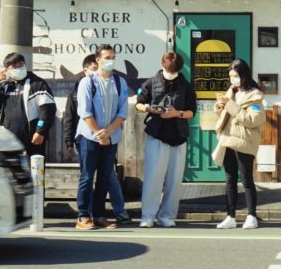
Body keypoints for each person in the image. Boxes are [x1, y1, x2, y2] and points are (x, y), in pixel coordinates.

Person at [63, 54, 131, 225]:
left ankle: (99, 215)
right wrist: (99, 133)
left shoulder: (119, 82)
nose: (111, 60)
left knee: (105, 177)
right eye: (108, 57)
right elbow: (84, 112)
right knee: (87, 176)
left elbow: (123, 111)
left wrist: (108, 132)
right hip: (88, 136)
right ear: (98, 59)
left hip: (111, 137)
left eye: (114, 57)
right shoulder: (87, 82)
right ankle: (83, 215)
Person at [135, 52, 195, 228]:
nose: (171, 73)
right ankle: (147, 216)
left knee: (174, 180)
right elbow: (138, 103)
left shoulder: (185, 85)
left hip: (179, 135)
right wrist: (149, 109)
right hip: (157, 133)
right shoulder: (151, 82)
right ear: (162, 66)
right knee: (153, 177)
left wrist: (178, 113)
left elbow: (192, 111)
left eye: (174, 70)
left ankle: (167, 216)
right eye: (169, 69)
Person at [212, 59, 266, 230]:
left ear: (243, 75)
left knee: (246, 180)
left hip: (244, 141)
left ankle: (251, 216)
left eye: (235, 76)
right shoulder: (231, 91)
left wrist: (230, 105)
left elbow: (253, 120)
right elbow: (225, 114)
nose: (233, 79)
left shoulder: (255, 95)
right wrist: (220, 107)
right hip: (228, 139)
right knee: (230, 180)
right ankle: (230, 216)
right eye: (231, 76)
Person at [0, 53, 56, 156]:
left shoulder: (37, 83)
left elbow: (48, 110)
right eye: (14, 65)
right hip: (8, 140)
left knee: (35, 169)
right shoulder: (4, 85)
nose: (19, 67)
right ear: (6, 69)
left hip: (32, 138)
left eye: (21, 64)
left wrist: (40, 131)